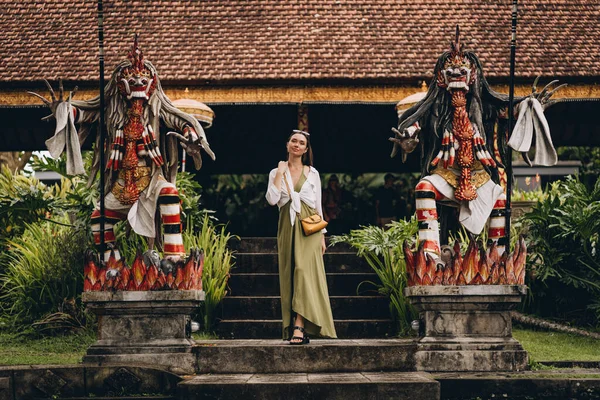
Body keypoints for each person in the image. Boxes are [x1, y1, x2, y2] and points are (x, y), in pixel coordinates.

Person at [265, 130, 337, 345]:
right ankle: (294, 325)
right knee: (291, 273)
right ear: (287, 145)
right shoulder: (275, 172)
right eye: (293, 141)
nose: (297, 145)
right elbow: (271, 200)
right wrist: (279, 173)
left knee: (304, 272)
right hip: (287, 224)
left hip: (310, 227)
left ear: (306, 149)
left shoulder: (312, 172)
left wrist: (322, 235)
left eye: (301, 143)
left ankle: (299, 326)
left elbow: (317, 204)